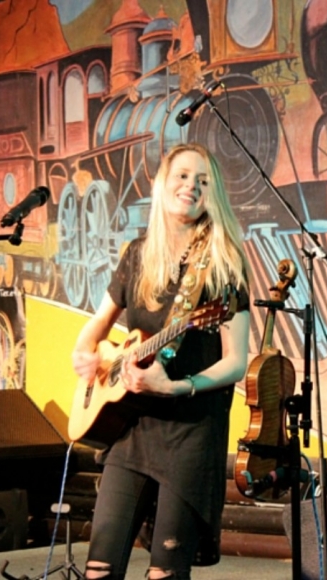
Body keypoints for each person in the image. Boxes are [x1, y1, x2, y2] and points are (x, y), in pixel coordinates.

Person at [71, 142, 251, 580]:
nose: (191, 186)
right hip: (130, 429)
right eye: (183, 176)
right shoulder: (138, 254)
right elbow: (96, 327)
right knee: (97, 567)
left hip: (190, 433)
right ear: (162, 184)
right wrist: (85, 353)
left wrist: (175, 386)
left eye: (203, 181)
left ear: (213, 195)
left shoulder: (224, 263)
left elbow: (236, 363)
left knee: (164, 574)